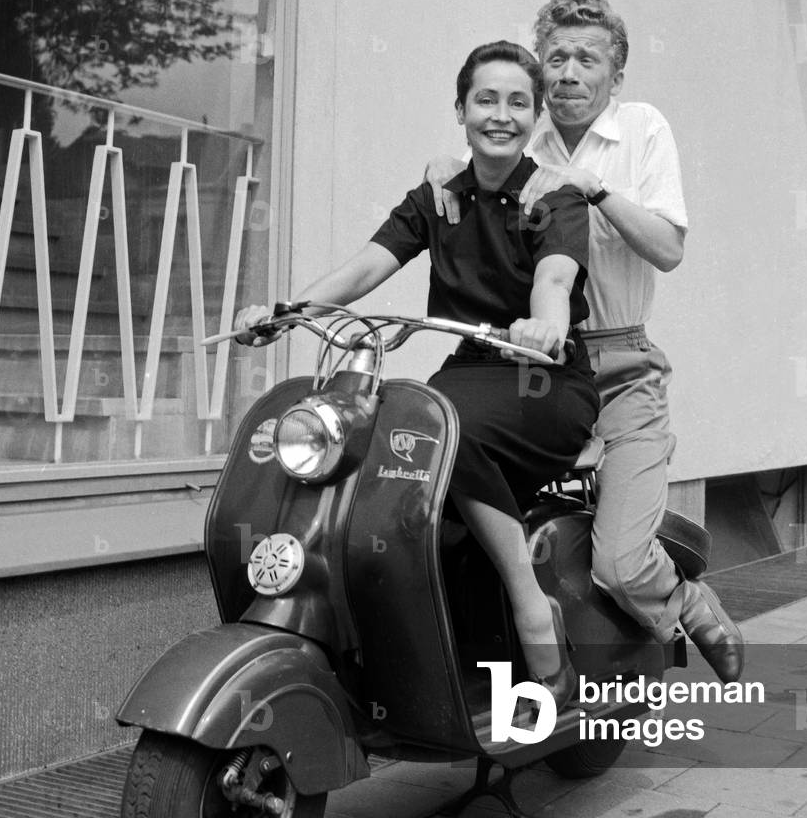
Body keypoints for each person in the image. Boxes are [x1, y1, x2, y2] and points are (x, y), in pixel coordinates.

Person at [235, 40, 600, 710]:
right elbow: (366, 265)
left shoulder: (556, 196)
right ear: (460, 110)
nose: (501, 115)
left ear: (535, 117)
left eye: (518, 103)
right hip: (469, 372)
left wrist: (544, 325)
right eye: (485, 100)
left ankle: (530, 603)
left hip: (545, 377)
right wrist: (288, 313)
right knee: (390, 439)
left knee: (439, 429)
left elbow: (555, 277)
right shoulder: (437, 197)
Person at [426, 0, 744, 682]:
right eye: (557, 58)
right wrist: (442, 173)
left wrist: (594, 189)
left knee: (621, 566)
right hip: (532, 372)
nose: (569, 72)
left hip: (623, 368)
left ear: (615, 76)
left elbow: (668, 249)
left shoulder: (643, 129)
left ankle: (684, 599)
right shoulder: (523, 137)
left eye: (587, 59)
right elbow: (464, 183)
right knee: (456, 507)